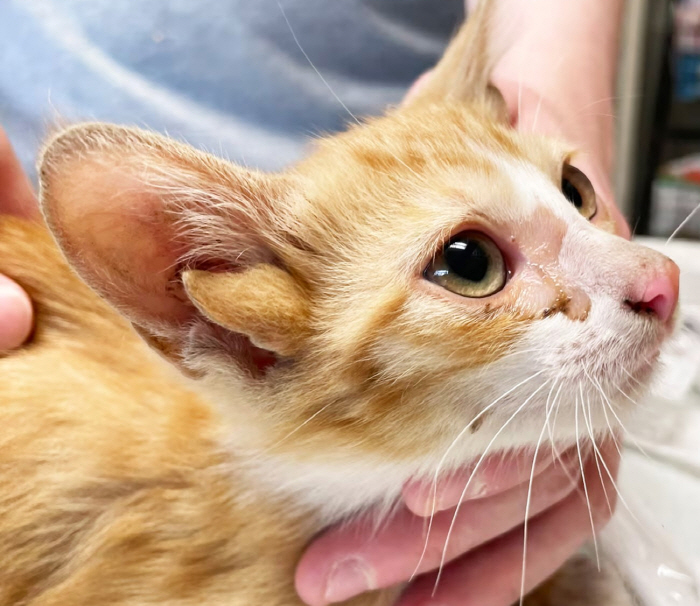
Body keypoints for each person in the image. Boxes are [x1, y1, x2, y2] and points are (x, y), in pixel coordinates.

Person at [0, 1, 627, 604]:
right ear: (250, 347)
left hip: (390, 150)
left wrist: (551, 74)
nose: (655, 278)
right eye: (471, 264)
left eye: (573, 191)